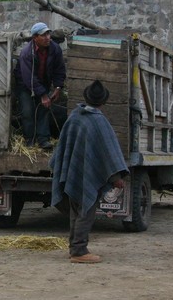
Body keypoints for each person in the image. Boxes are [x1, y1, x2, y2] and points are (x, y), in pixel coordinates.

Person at [50, 80, 129, 263]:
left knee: (76, 212)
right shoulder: (99, 121)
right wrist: (116, 178)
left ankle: (74, 248)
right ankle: (79, 251)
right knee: (85, 212)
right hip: (86, 176)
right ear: (104, 101)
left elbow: (64, 146)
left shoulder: (75, 116)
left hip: (73, 173)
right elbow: (107, 152)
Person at [14, 21, 66, 149]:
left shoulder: (55, 49)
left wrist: (58, 87)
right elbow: (28, 78)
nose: (47, 37)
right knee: (27, 111)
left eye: (48, 34)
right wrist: (43, 95)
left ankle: (43, 139)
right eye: (43, 35)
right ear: (35, 38)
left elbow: (59, 70)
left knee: (44, 109)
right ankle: (29, 140)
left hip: (43, 82)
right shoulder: (27, 53)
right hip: (25, 84)